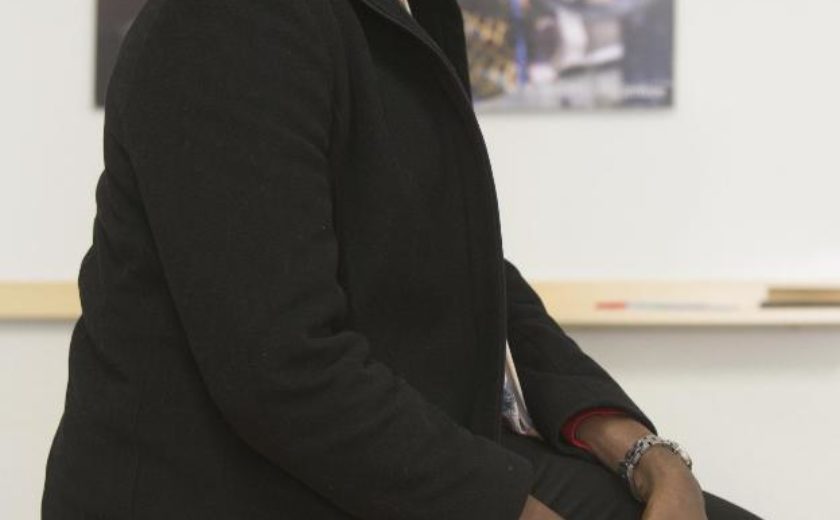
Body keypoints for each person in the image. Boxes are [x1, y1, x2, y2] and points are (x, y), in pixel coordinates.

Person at [42, 0, 762, 519]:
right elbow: (285, 370)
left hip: (367, 470)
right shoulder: (229, 22)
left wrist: (641, 452)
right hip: (226, 490)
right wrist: (511, 508)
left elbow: (471, 270)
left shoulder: (413, 15)